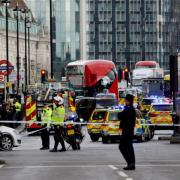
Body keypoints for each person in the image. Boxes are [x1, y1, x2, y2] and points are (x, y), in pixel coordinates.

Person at [118, 94, 136, 170]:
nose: (125, 101)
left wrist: (120, 113)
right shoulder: (130, 108)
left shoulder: (129, 109)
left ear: (128, 101)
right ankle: (131, 163)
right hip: (129, 131)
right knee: (128, 147)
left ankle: (130, 163)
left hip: (127, 131)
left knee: (122, 146)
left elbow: (120, 116)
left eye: (126, 100)